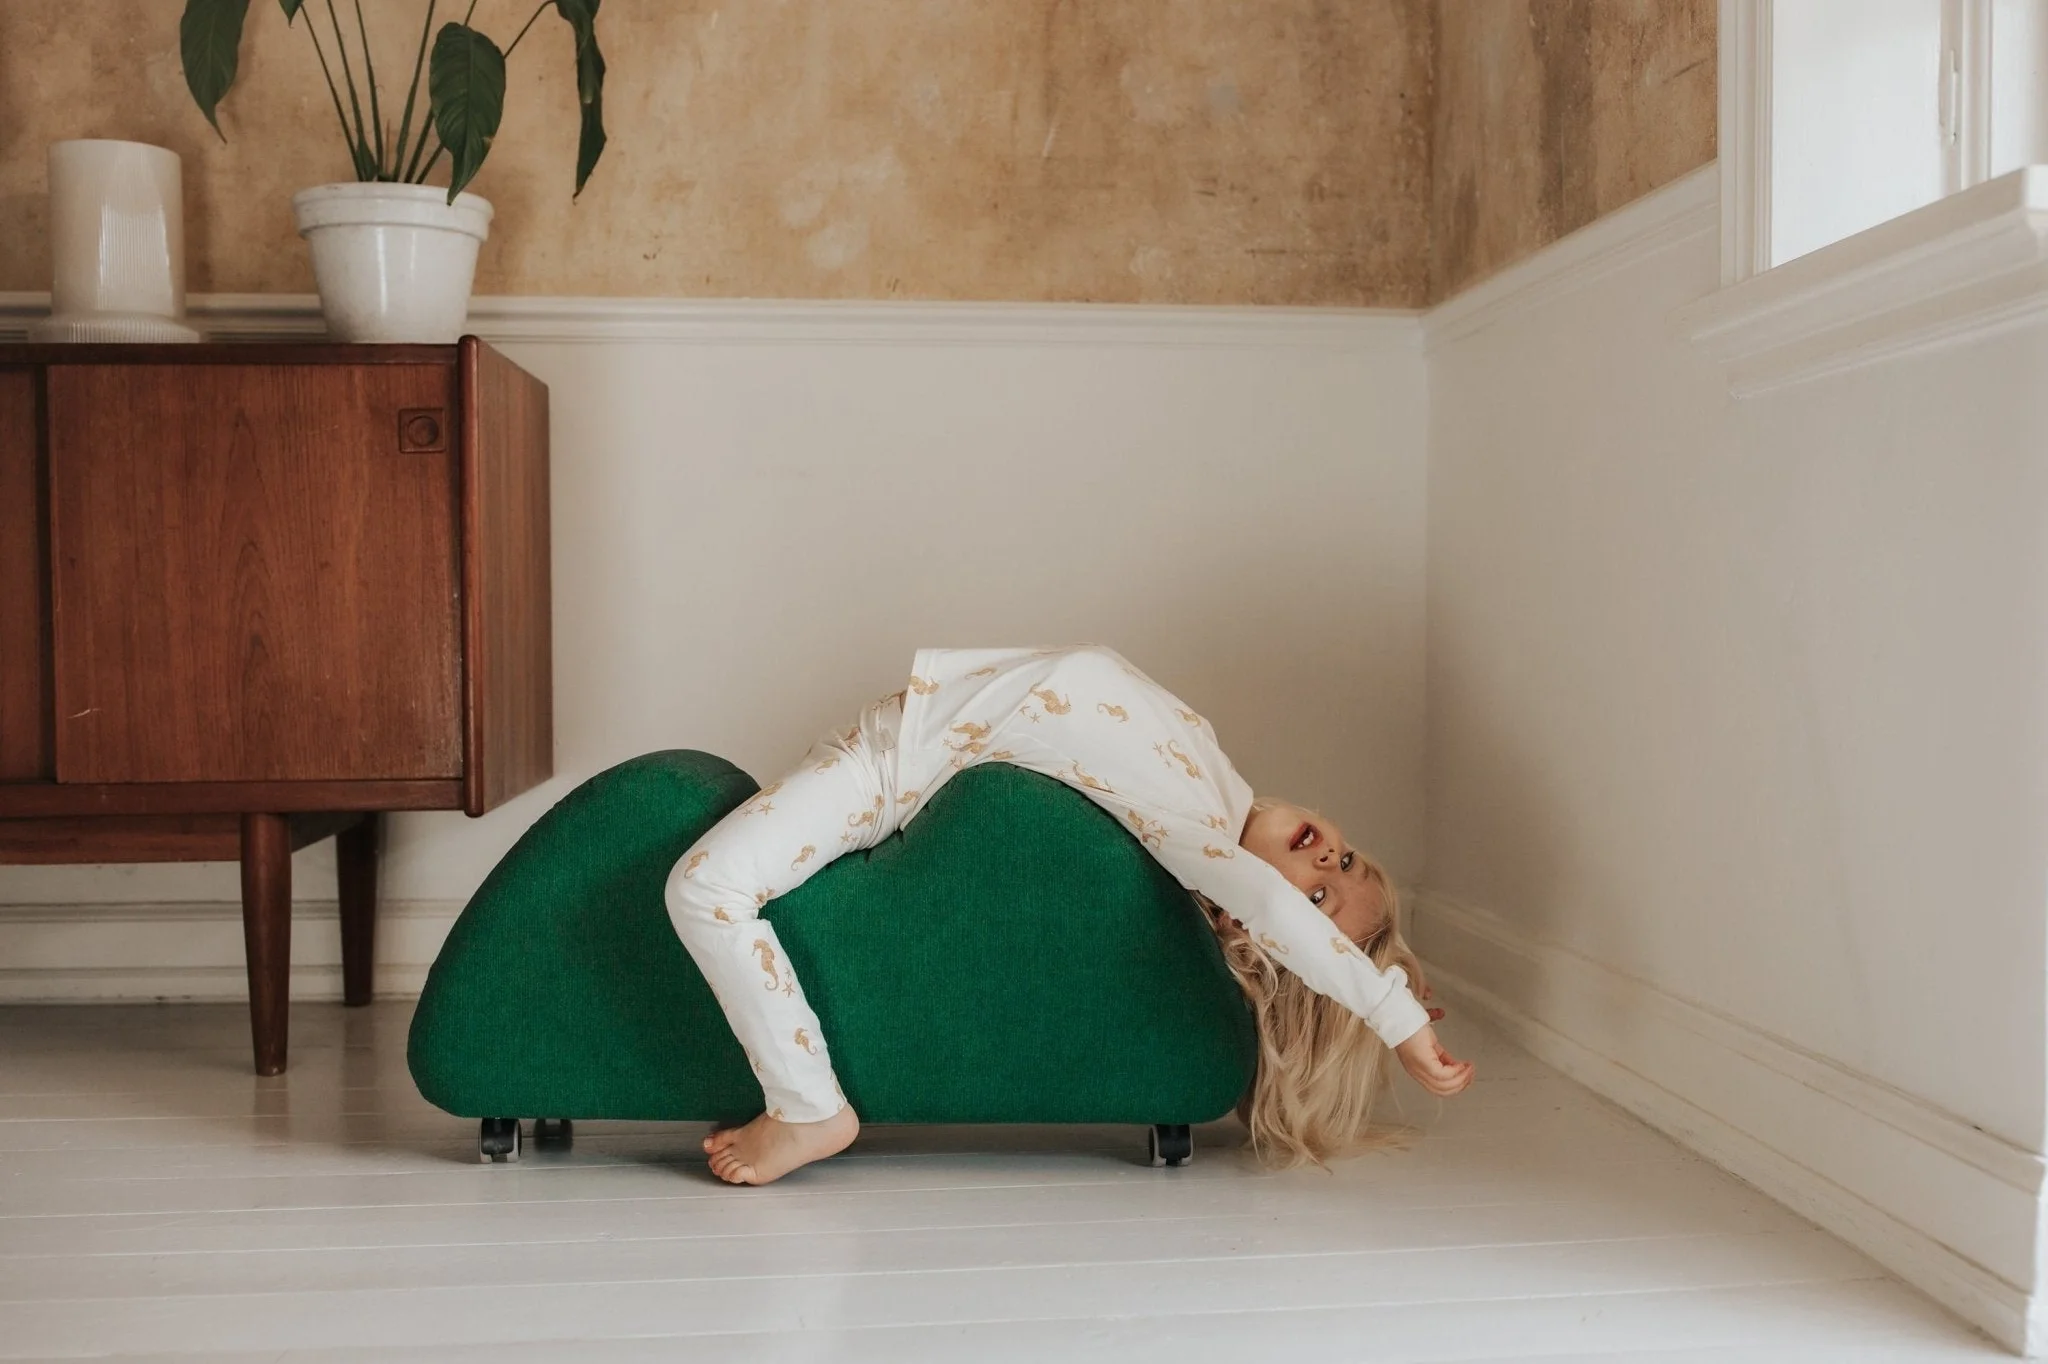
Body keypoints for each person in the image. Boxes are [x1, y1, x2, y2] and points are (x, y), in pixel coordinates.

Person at [665, 645, 1474, 1185]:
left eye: (1320, 897)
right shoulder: (1214, 777)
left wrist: (1389, 1010)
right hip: (884, 741)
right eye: (1347, 858)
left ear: (1243, 925)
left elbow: (1264, 899)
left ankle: (807, 1106)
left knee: (703, 889)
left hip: (885, 770)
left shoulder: (1200, 839)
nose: (1327, 859)